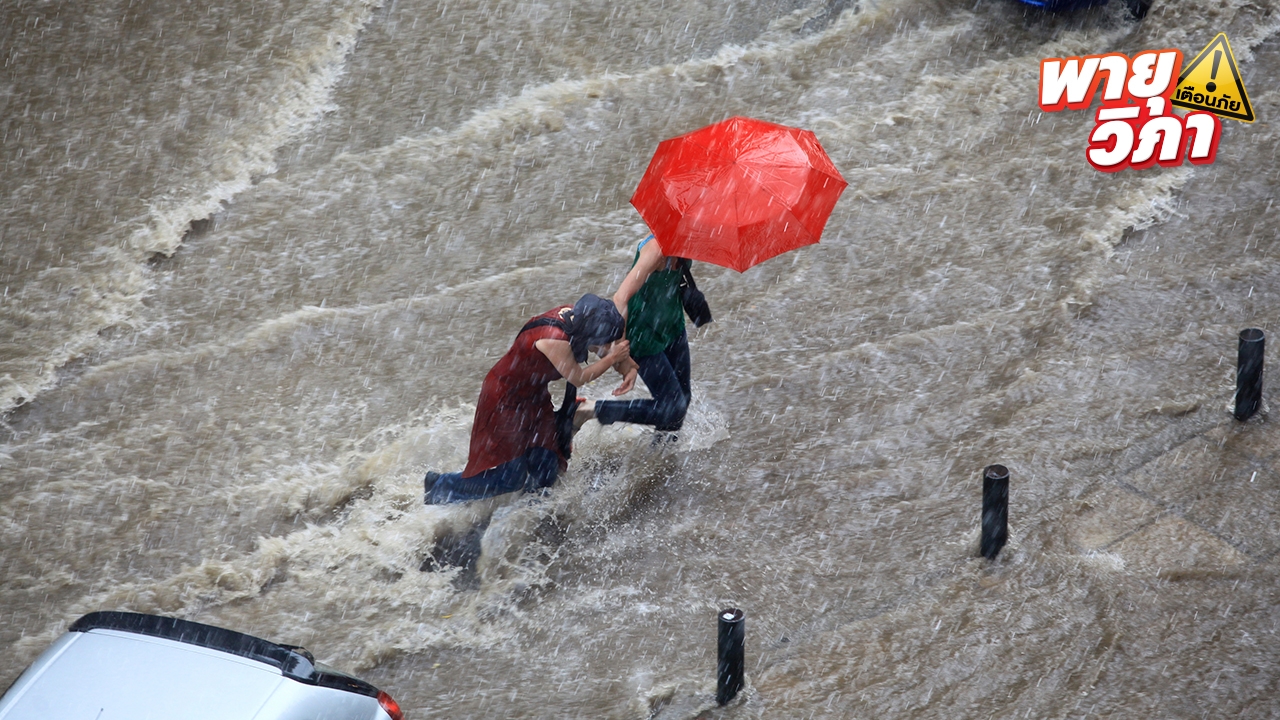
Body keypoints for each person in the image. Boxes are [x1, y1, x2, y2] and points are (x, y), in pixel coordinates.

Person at [424, 294, 630, 504]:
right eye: (605, 342)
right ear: (590, 335)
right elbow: (578, 377)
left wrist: (626, 364)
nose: (608, 346)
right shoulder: (554, 338)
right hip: (505, 400)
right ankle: (440, 486)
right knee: (510, 478)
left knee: (547, 466)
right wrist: (613, 358)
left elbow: (610, 339)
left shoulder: (581, 317)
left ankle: (524, 513)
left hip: (533, 396)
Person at [578, 234, 691, 436]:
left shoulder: (688, 241)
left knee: (681, 400)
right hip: (643, 335)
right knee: (673, 409)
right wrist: (622, 355)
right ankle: (589, 409)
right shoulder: (655, 250)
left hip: (673, 327)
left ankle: (659, 454)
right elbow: (620, 299)